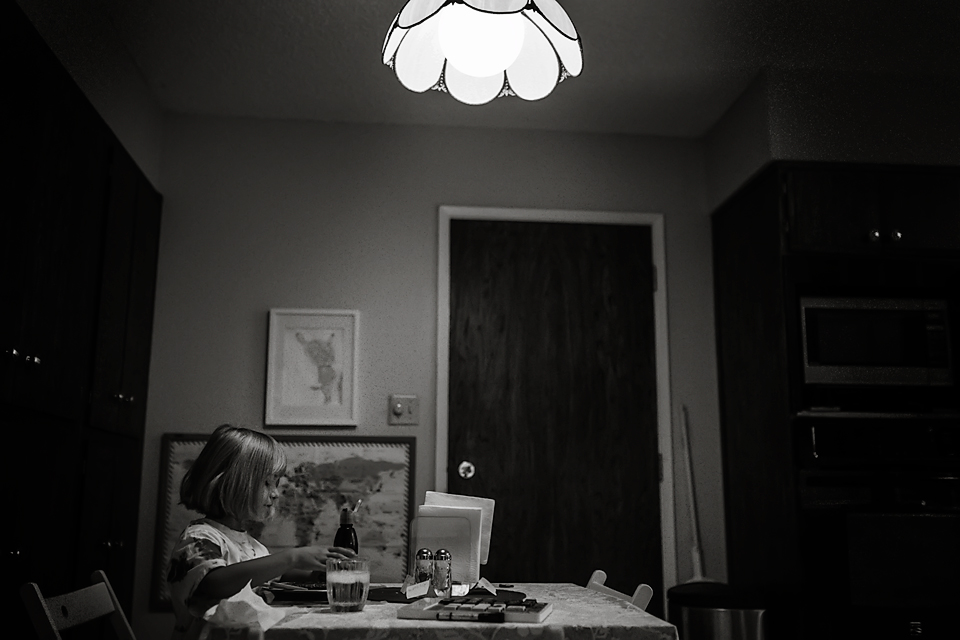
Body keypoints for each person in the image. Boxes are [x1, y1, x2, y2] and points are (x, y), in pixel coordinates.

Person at [167, 424, 356, 640]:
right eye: (266, 483)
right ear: (231, 483)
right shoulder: (199, 538)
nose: (275, 494)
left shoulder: (250, 544)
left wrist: (320, 571)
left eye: (276, 483)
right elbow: (211, 584)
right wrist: (291, 557)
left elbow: (271, 575)